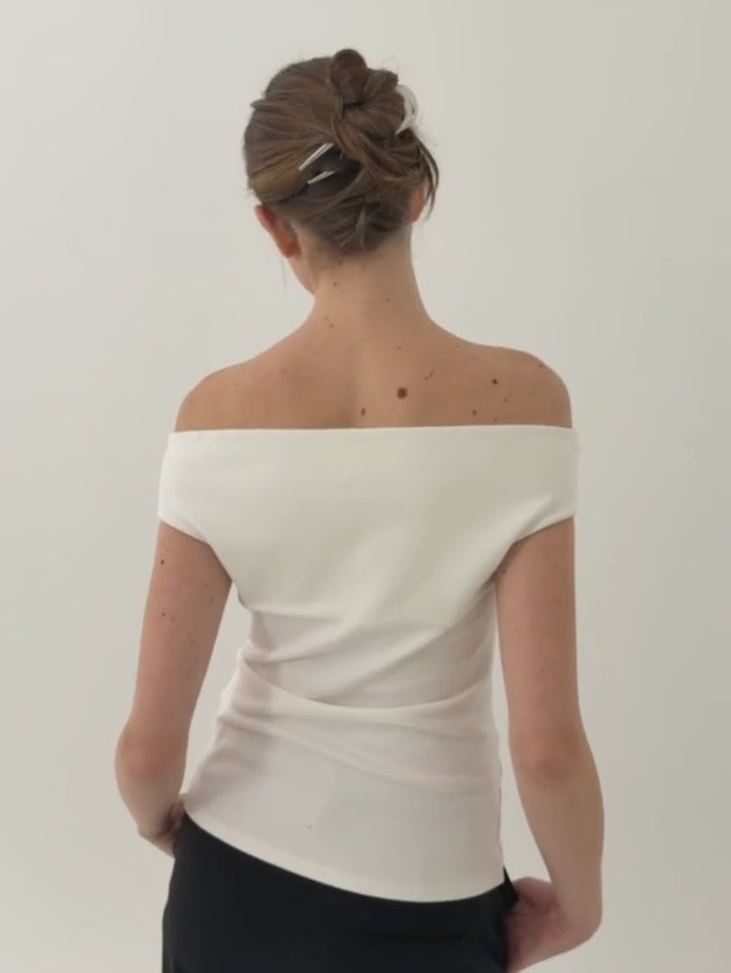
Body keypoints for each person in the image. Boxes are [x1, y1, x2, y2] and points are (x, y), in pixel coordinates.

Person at [124, 47, 604, 973]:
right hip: (434, 895)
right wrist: (575, 909)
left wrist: (160, 823)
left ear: (274, 227)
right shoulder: (524, 403)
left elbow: (148, 750)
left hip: (235, 879)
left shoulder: (216, 416)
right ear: (415, 193)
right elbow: (547, 748)